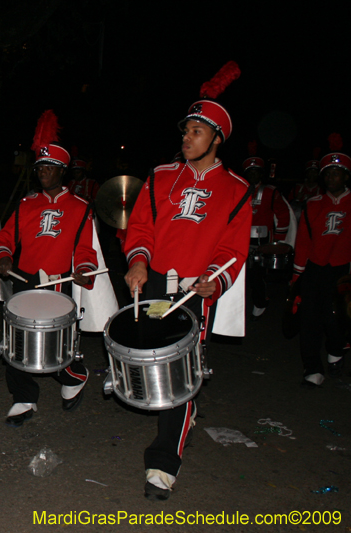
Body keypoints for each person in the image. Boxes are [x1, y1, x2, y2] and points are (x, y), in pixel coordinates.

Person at [123, 62, 251, 501]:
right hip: (157, 285)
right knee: (154, 360)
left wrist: (217, 280)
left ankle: (162, 464)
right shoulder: (160, 177)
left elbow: (233, 251)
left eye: (196, 131)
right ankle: (183, 409)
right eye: (185, 130)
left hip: (198, 292)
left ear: (217, 138)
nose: (186, 137)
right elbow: (140, 229)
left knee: (181, 375)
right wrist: (139, 261)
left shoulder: (237, 189)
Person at [0, 110, 100, 428]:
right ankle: (23, 397)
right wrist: (3, 256)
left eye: (50, 167)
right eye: (40, 167)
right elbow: (4, 238)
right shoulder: (26, 205)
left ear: (63, 171)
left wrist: (83, 268)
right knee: (17, 342)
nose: (43, 172)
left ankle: (74, 374)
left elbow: (85, 249)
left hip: (60, 283)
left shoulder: (80, 208)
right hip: (26, 280)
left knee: (54, 348)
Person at [293, 145, 351, 387]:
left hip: (343, 270)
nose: (330, 178)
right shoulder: (313, 204)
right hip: (315, 269)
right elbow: (304, 240)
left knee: (336, 320)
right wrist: (297, 275)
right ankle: (312, 368)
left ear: (346, 176)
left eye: (336, 173)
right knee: (309, 319)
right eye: (327, 173)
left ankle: (336, 351)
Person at [244, 155, 290, 318]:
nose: (253, 175)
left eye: (256, 171)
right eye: (250, 171)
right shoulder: (239, 190)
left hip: (262, 240)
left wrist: (278, 239)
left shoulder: (271, 191)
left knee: (257, 274)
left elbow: (283, 214)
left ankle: (260, 301)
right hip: (241, 240)